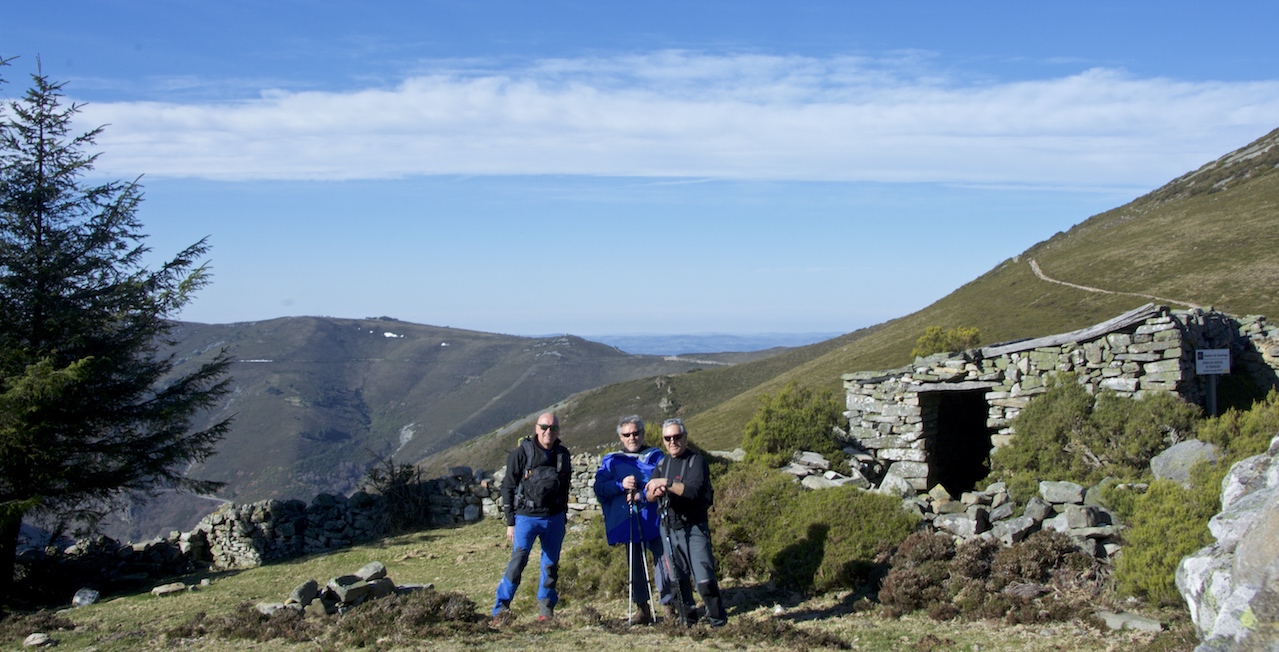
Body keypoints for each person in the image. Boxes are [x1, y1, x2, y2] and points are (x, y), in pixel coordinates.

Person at [645, 418, 727, 627]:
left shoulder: (696, 461)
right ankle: (687, 621)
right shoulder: (662, 464)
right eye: (668, 438)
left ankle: (717, 621)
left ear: (685, 437)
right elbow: (649, 495)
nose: (672, 441)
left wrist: (667, 483)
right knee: (677, 579)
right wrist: (655, 491)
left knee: (704, 578)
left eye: (677, 436)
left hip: (695, 526)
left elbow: (692, 491)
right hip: (669, 528)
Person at [492, 412, 572, 624]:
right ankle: (500, 610)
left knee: (550, 565)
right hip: (526, 518)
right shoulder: (521, 454)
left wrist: (563, 517)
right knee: (518, 562)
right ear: (536, 428)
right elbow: (508, 487)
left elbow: (565, 488)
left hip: (554, 518)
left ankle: (546, 611)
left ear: (558, 431)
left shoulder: (563, 454)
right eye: (544, 427)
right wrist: (510, 522)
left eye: (553, 428)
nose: (548, 432)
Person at [594, 415, 672, 625]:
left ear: (643, 434)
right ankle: (642, 608)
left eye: (636, 433)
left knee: (664, 562)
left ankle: (670, 606)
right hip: (629, 520)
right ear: (620, 437)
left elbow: (665, 482)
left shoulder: (656, 456)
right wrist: (621, 485)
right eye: (627, 434)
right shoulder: (611, 461)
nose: (632, 438)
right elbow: (600, 488)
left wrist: (642, 492)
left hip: (656, 519)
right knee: (635, 565)